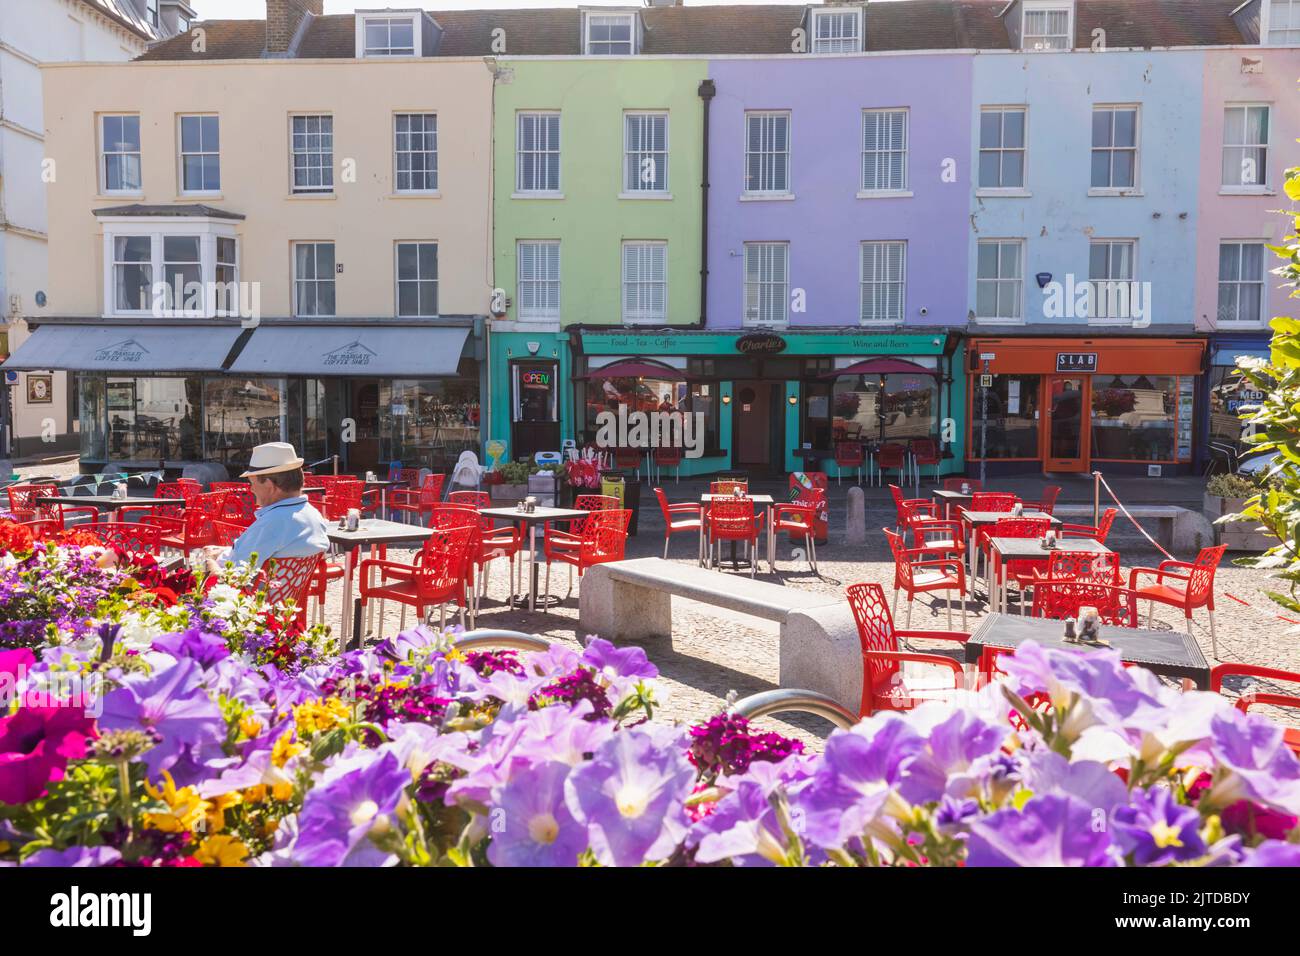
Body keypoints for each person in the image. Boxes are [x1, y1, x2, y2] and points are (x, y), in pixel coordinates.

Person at [207, 442, 329, 571]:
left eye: (252, 483)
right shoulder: (313, 514)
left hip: (254, 590)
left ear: (269, 485)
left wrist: (209, 562)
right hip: (287, 589)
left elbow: (235, 575)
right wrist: (225, 551)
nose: (251, 489)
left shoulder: (273, 522)